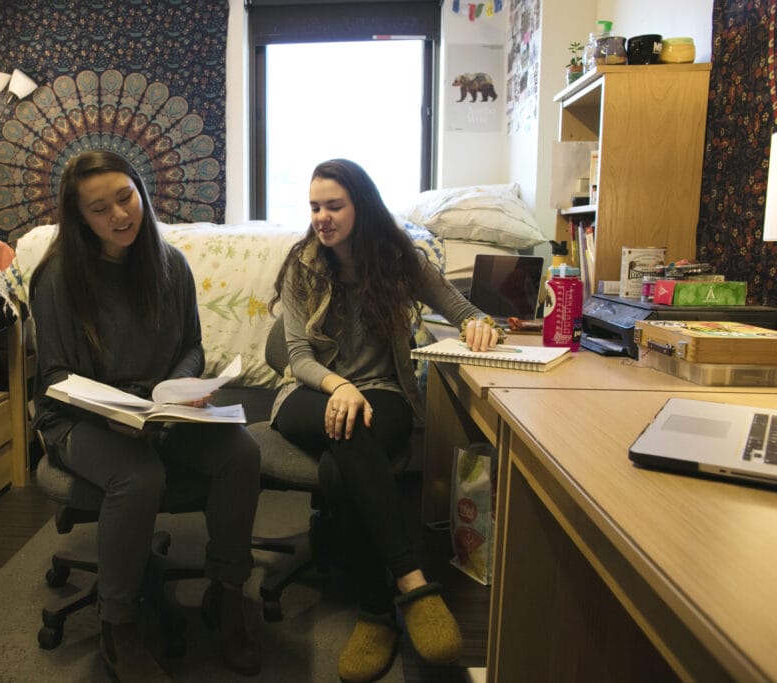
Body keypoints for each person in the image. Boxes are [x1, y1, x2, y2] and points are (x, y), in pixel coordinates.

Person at [268, 158, 504, 683]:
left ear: (362, 207)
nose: (322, 217)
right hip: (310, 391)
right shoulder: (302, 265)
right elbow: (297, 355)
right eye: (314, 207)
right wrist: (338, 386)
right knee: (346, 424)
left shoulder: (400, 260)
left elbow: (462, 309)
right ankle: (411, 583)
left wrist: (481, 325)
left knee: (340, 464)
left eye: (334, 205)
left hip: (382, 394)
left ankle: (375, 612)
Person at [29, 150, 262, 681]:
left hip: (159, 412)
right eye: (98, 208)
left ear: (141, 191)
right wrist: (111, 411)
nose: (118, 215)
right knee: (138, 475)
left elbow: (195, 348)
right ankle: (118, 625)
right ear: (79, 218)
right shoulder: (58, 278)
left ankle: (227, 596)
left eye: (124, 196)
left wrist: (175, 389)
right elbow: (55, 379)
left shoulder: (170, 264)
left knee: (242, 453)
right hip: (79, 419)